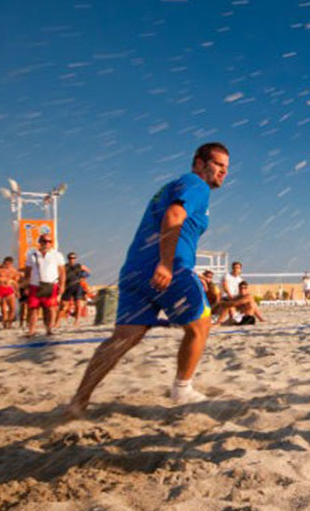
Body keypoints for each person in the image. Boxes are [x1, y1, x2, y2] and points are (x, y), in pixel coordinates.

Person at [66, 142, 229, 418]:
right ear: (199, 163)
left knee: (124, 337)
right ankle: (182, 388)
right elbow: (174, 216)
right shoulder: (196, 184)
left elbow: (173, 224)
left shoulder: (170, 187)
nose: (223, 172)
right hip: (168, 268)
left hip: (135, 270)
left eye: (226, 168)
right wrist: (167, 264)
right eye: (218, 165)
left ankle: (79, 400)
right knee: (201, 323)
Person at [24, 235, 66, 337]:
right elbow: (27, 271)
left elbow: (62, 272)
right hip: (35, 284)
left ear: (51, 243)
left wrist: (62, 284)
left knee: (50, 308)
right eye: (44, 241)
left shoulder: (57, 255)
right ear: (40, 242)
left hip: (51, 284)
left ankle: (49, 329)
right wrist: (26, 286)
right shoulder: (32, 254)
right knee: (33, 308)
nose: (46, 243)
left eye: (49, 241)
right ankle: (32, 330)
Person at [57, 252, 91, 327]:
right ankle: (57, 321)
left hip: (77, 285)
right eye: (70, 258)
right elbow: (60, 275)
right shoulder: (65, 266)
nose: (72, 259)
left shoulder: (79, 266)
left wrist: (83, 277)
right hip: (68, 286)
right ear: (68, 258)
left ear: (75, 259)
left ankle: (77, 321)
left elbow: (88, 272)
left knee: (78, 304)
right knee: (63, 305)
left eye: (73, 258)